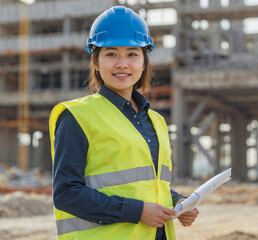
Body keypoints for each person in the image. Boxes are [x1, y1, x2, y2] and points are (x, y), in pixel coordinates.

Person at [49, 6, 199, 240]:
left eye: (132, 54)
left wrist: (178, 201)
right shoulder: (77, 116)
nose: (122, 63)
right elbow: (66, 194)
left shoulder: (156, 121)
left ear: (143, 61)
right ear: (95, 61)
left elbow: (146, 185)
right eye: (111, 54)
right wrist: (137, 211)